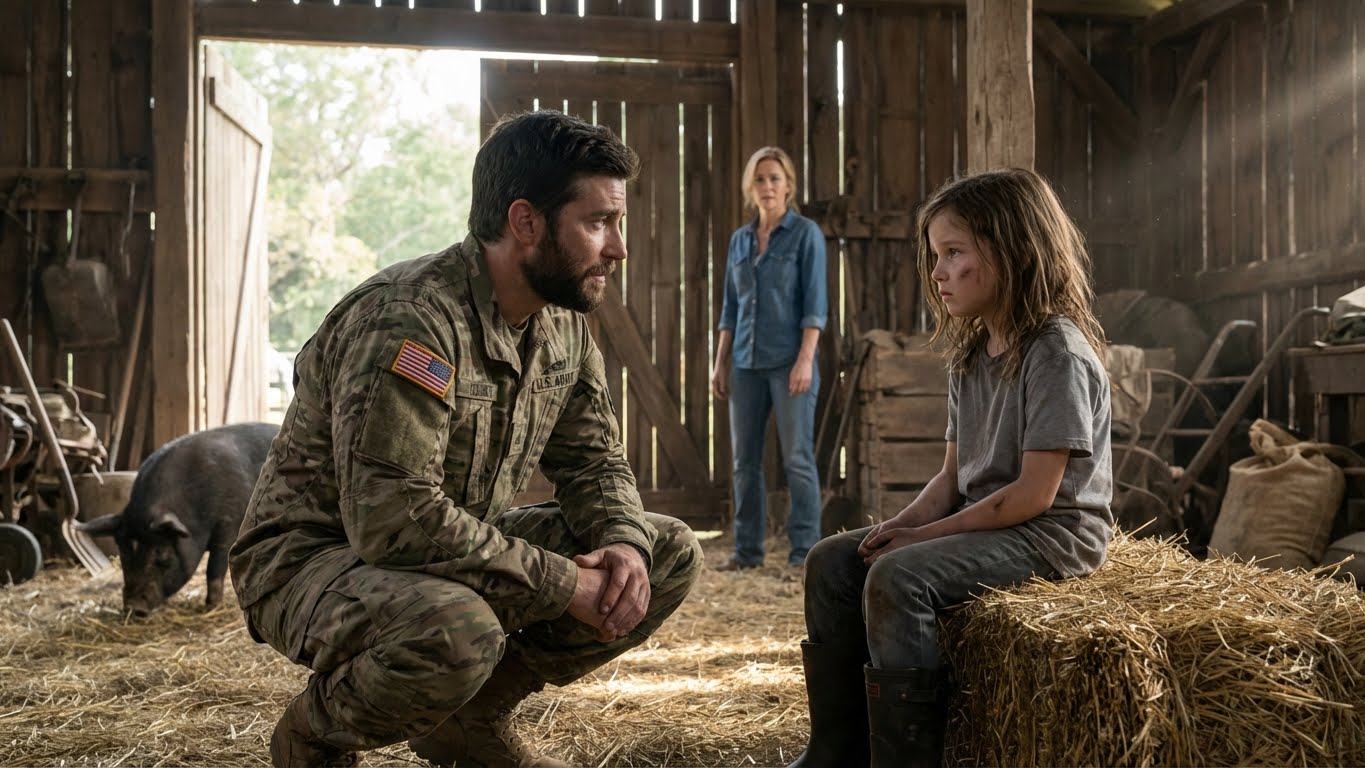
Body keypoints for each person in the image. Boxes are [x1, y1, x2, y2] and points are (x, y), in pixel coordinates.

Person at [229, 110, 704, 768]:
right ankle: (315, 735)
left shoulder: (558, 324)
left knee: (667, 552)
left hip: (437, 555)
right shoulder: (410, 321)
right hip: (310, 562)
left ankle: (467, 719)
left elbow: (593, 462)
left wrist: (620, 542)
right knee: (455, 627)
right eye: (598, 222)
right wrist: (563, 582)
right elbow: (390, 520)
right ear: (525, 222)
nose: (617, 248)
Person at [788, 167, 1113, 768]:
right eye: (936, 255)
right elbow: (949, 480)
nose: (937, 272)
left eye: (953, 253)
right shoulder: (971, 352)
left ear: (1013, 250)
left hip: (1053, 535)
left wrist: (917, 543)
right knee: (833, 560)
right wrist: (896, 529)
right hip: (993, 522)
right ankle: (836, 752)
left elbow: (1034, 496)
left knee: (899, 578)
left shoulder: (1055, 353)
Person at [710, 146, 828, 570]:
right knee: (744, 463)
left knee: (797, 459)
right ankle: (746, 552)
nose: (767, 186)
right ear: (750, 188)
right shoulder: (739, 241)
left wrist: (805, 362)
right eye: (760, 179)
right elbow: (730, 308)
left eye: (775, 178)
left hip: (789, 362)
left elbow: (815, 306)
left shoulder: (805, 234)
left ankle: (804, 554)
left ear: (789, 186)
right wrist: (719, 362)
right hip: (744, 362)